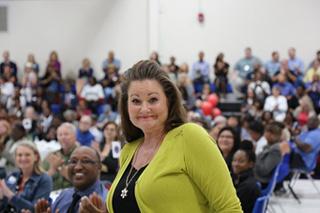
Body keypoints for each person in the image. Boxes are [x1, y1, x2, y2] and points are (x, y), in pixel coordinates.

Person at [80, 60, 241, 212]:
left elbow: (229, 208)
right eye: (136, 101)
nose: (144, 109)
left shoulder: (190, 137)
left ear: (168, 101)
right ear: (126, 105)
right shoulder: (128, 151)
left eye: (153, 99)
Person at [32, 146, 108, 213]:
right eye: (73, 161)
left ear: (99, 168)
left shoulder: (106, 202)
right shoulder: (64, 196)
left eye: (85, 161)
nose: (78, 167)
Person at [0, 141, 52, 212]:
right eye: (19, 155)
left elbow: (35, 209)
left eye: (27, 155)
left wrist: (11, 195)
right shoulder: (12, 175)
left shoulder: (44, 179)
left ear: (36, 157)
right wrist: (1, 198)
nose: (23, 158)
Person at [43, 122, 78, 190]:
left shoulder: (82, 155)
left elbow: (83, 183)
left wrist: (60, 167)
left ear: (75, 137)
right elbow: (40, 180)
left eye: (66, 134)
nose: (63, 137)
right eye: (60, 135)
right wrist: (52, 170)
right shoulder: (52, 155)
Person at [231, 141, 262, 213]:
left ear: (251, 164)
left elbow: (234, 208)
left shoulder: (247, 186)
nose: (236, 164)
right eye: (234, 160)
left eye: (241, 161)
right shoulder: (245, 180)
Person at [254, 122, 283, 189]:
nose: (269, 134)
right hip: (256, 177)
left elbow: (264, 170)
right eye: (267, 132)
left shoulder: (275, 150)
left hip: (261, 181)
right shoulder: (267, 147)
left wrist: (255, 156)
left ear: (278, 135)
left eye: (272, 133)